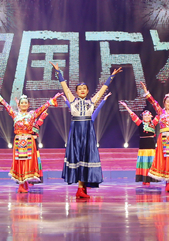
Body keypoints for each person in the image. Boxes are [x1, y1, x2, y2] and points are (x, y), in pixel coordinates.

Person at [52, 62, 122, 199]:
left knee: (86, 158)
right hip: (76, 132)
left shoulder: (91, 102)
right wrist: (58, 72)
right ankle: (80, 188)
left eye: (85, 88)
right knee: (78, 158)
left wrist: (111, 76)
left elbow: (102, 89)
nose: (82, 90)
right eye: (80, 89)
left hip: (88, 133)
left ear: (88, 91)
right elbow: (64, 86)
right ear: (76, 92)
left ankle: (82, 187)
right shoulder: (73, 100)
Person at [0, 86, 62, 192]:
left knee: (28, 161)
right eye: (22, 103)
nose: (24, 104)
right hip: (18, 141)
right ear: (19, 105)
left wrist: (53, 99)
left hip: (29, 140)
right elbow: (6, 105)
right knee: (19, 161)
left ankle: (26, 183)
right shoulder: (15, 114)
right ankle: (21, 184)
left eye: (25, 103)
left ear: (28, 105)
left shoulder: (32, 114)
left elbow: (42, 108)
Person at [119, 101, 159, 185]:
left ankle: (150, 179)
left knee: (151, 163)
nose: (146, 117)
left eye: (148, 115)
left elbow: (160, 113)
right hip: (143, 147)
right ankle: (144, 179)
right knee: (144, 163)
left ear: (151, 117)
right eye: (145, 115)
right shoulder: (140, 123)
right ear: (143, 117)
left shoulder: (154, 123)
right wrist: (126, 107)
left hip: (151, 147)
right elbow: (132, 115)